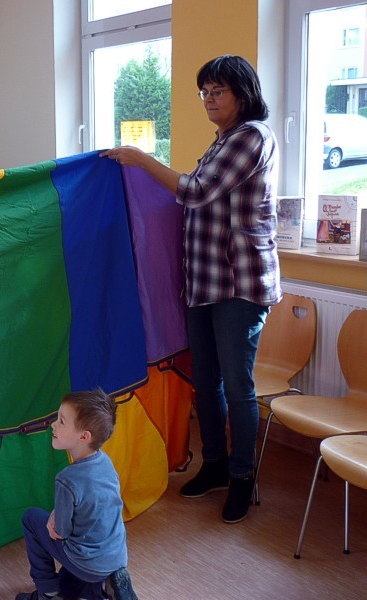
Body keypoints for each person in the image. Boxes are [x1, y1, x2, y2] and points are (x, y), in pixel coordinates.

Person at [102, 55, 281, 524]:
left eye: (218, 91)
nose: (208, 99)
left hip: (239, 284)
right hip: (204, 281)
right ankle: (216, 465)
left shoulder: (252, 137)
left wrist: (141, 160)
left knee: (238, 387)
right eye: (204, 92)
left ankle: (242, 477)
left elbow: (196, 192)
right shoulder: (222, 140)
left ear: (243, 93)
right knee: (206, 380)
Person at [16, 389, 137, 600]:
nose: (53, 425)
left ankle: (48, 592)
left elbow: (61, 531)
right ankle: (106, 584)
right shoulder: (106, 463)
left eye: (62, 421)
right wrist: (58, 512)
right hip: (116, 557)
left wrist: (55, 516)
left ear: (84, 436)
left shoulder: (67, 479)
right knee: (73, 574)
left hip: (87, 563)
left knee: (31, 518)